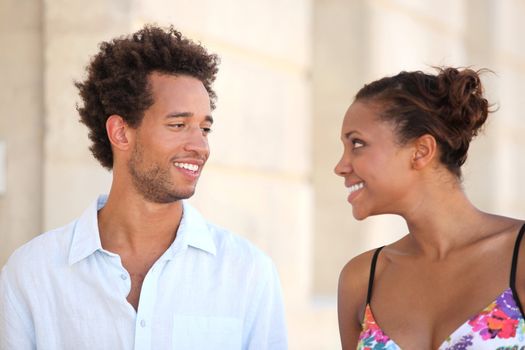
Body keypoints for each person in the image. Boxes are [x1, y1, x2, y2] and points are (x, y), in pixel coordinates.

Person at [0, 25, 287, 350]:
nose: (200, 146)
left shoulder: (248, 274)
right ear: (121, 133)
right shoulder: (31, 274)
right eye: (178, 125)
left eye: (204, 128)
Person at [334, 67, 525, 349]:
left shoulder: (519, 257)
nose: (340, 167)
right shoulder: (362, 279)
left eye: (357, 144)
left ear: (421, 151)